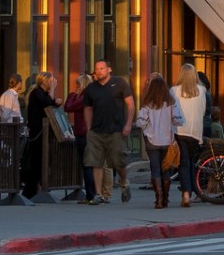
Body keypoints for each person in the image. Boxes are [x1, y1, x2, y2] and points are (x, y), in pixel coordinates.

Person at [81, 60, 135, 205]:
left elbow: (130, 104)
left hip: (116, 130)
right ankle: (98, 194)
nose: (99, 71)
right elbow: (87, 108)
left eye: (102, 68)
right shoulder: (91, 88)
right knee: (95, 162)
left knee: (119, 161)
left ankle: (124, 182)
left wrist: (128, 124)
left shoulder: (119, 83)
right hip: (96, 131)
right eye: (97, 69)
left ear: (109, 69)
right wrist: (89, 128)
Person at [136, 77, 180, 209]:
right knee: (165, 168)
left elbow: (140, 122)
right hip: (167, 139)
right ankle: (165, 199)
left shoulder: (147, 104)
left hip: (152, 139)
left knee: (155, 168)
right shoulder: (171, 103)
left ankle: (159, 199)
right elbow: (178, 120)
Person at [172, 64, 209, 208]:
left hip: (180, 131)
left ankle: (186, 192)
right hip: (195, 132)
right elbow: (204, 110)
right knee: (192, 162)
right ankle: (194, 191)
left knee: (183, 163)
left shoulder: (174, 91)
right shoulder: (201, 91)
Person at [21, 72, 58, 201]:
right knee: (35, 161)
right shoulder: (37, 92)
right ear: (44, 81)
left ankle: (36, 187)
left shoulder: (42, 93)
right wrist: (53, 90)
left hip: (42, 131)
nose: (53, 82)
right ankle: (29, 191)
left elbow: (50, 102)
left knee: (40, 161)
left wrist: (55, 101)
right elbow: (47, 103)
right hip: (37, 132)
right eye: (51, 80)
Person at [63, 79, 96, 202]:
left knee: (86, 164)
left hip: (83, 132)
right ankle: (93, 193)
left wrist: (73, 94)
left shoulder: (83, 97)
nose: (76, 87)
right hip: (89, 132)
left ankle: (90, 194)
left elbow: (68, 107)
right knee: (90, 164)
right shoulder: (92, 95)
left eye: (77, 84)